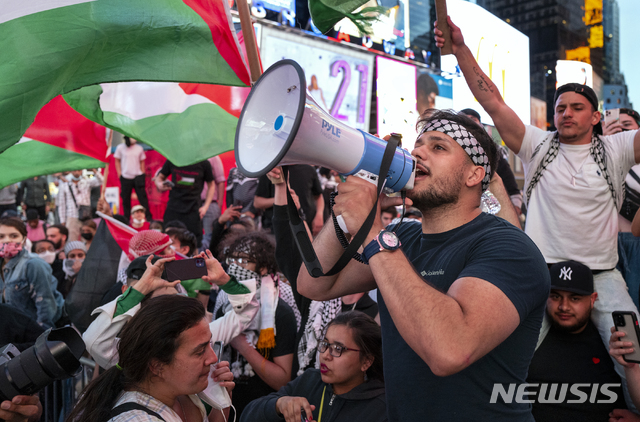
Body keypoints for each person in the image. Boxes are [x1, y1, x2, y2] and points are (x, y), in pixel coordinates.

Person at [435, 18, 640, 404]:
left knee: (634, 350)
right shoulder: (537, 145)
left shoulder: (617, 148)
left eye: (577, 108)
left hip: (601, 277)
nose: (566, 114)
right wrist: (461, 49)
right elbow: (491, 100)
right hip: (539, 274)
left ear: (596, 118)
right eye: (561, 107)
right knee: (507, 356)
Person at [297, 109, 550, 420]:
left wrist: (373, 231)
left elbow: (450, 351)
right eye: (417, 145)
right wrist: (345, 218)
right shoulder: (400, 236)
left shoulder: (509, 247)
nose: (417, 153)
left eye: (438, 147)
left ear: (475, 174)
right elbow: (316, 283)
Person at [68, 295, 235, 422]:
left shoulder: (183, 394)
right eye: (200, 351)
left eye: (210, 344)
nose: (213, 358)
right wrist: (138, 290)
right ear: (156, 366)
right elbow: (93, 340)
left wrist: (223, 401)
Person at [241, 311, 386, 422]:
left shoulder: (382, 408)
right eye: (325, 344)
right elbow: (247, 416)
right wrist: (279, 405)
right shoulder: (310, 380)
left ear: (366, 361)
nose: (325, 355)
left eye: (338, 348)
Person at [213, 232, 298, 418]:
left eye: (244, 261)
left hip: (265, 410)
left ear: (263, 268)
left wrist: (243, 346)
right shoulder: (225, 307)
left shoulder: (279, 313)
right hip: (229, 407)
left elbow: (283, 381)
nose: (235, 267)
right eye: (232, 260)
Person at [528, 261, 627, 421]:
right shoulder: (529, 342)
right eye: (555, 296)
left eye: (575, 298)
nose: (564, 307)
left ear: (592, 299)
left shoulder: (612, 345)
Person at [604, 108, 640, 309]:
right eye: (615, 125)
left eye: (627, 126)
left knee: (634, 298)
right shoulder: (597, 155)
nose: (620, 130)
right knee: (610, 304)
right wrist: (605, 144)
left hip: (635, 241)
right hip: (604, 242)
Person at [0, 217, 64, 328]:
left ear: (24, 239)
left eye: (14, 236)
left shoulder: (33, 264)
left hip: (31, 333)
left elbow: (45, 304)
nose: (7, 240)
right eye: (1, 236)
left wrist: (42, 336)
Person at [155, 160, 215, 248]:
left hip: (193, 210)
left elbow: (211, 185)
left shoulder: (204, 163)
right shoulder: (173, 159)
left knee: (194, 245)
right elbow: (160, 177)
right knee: (167, 242)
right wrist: (159, 184)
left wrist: (205, 207)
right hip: (173, 208)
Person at [254, 165, 325, 235]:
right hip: (276, 231)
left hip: (305, 228)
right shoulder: (273, 170)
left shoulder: (309, 169)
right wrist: (280, 199)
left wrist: (319, 215)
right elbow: (257, 202)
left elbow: (318, 196)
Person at [114, 136, 152, 222]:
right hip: (126, 177)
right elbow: (117, 160)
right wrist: (120, 173)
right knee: (126, 200)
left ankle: (149, 218)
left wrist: (142, 173)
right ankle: (126, 220)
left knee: (143, 199)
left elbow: (142, 161)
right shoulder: (120, 148)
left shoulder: (139, 148)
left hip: (137, 176)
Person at [57, 170, 103, 241]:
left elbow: (102, 181)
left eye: (79, 170)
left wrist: (94, 170)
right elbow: (62, 204)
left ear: (81, 171)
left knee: (87, 240)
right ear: (71, 171)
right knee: (72, 241)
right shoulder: (65, 185)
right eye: (74, 170)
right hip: (72, 217)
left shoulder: (86, 182)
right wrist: (62, 221)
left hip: (85, 216)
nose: (76, 172)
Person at [201, 155, 227, 250]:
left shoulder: (213, 157)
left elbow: (220, 181)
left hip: (211, 204)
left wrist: (219, 204)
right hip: (193, 203)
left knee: (211, 237)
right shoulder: (192, 155)